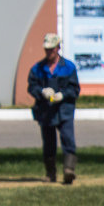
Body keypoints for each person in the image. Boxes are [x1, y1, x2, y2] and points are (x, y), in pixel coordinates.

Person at [26, 33, 81, 184]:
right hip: (46, 111)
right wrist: (41, 92)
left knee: (68, 139)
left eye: (52, 49)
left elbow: (75, 89)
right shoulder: (38, 69)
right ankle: (51, 174)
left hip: (64, 110)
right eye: (47, 49)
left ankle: (69, 170)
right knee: (48, 143)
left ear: (58, 48)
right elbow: (32, 86)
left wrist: (63, 95)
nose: (49, 52)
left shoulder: (68, 68)